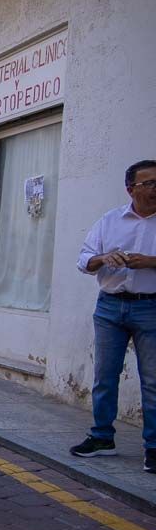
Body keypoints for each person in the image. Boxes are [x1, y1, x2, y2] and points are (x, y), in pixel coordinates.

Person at [72, 159, 156, 474]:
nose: (154, 189)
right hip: (110, 306)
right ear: (130, 189)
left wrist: (149, 261)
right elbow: (83, 259)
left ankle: (154, 447)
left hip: (151, 306)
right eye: (148, 183)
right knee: (104, 377)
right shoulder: (110, 221)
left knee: (152, 382)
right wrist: (102, 258)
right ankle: (102, 438)